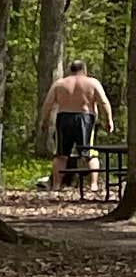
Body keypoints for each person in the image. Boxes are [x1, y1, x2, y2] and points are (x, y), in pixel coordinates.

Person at [42, 57, 112, 195]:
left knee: (61, 154)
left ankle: (56, 185)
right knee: (89, 153)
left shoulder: (59, 84)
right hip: (85, 118)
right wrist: (108, 120)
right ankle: (93, 185)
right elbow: (103, 102)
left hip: (64, 118)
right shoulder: (92, 83)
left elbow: (48, 104)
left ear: (70, 70)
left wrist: (44, 121)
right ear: (84, 70)